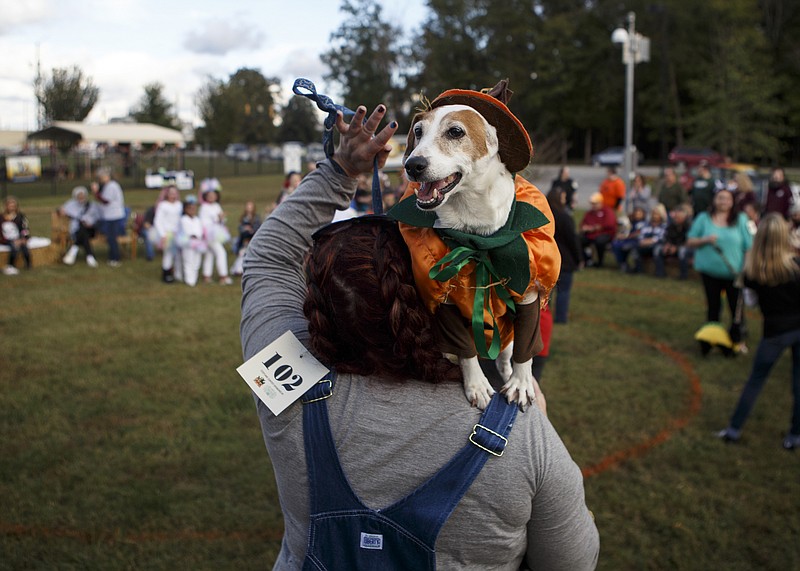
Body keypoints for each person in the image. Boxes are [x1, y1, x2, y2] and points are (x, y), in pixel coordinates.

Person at [240, 102, 599, 569]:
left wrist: (339, 171)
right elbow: (574, 561)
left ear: (313, 309)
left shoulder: (284, 387)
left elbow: (267, 259)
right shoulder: (520, 431)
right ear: (423, 293)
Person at [716, 214, 800, 450]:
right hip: (792, 327)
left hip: (775, 332)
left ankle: (733, 430)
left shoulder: (753, 271)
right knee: (798, 383)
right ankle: (795, 435)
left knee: (756, 380)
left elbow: (751, 303)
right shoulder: (795, 266)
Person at [686, 188, 753, 352]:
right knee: (713, 306)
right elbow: (690, 241)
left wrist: (746, 269)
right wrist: (705, 240)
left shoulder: (741, 219)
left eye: (727, 199)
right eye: (720, 198)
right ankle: (711, 339)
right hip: (709, 273)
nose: (723, 201)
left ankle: (737, 340)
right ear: (714, 200)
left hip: (734, 274)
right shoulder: (703, 218)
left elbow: (749, 246)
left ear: (732, 202)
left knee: (735, 308)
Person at [547, 187, 582, 323]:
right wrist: (579, 258)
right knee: (563, 291)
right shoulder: (564, 217)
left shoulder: (544, 216)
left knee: (547, 292)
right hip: (564, 260)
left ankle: (544, 315)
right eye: (562, 197)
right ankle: (560, 318)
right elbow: (573, 240)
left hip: (547, 258)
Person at [91, 166, 126, 267]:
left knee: (112, 238)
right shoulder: (107, 186)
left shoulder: (111, 186)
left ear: (107, 176)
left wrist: (95, 191)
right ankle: (112, 257)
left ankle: (115, 258)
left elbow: (105, 200)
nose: (100, 179)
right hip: (109, 216)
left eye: (101, 176)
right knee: (110, 238)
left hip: (114, 216)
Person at [59, 186, 101, 267]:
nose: (81, 197)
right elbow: (60, 210)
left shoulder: (92, 205)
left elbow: (98, 217)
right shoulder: (71, 204)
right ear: (75, 196)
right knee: (83, 232)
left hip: (91, 229)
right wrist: (61, 211)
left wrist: (91, 223)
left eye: (83, 195)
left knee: (83, 230)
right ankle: (90, 256)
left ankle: (74, 249)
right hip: (77, 230)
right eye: (79, 196)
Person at [198, 187, 232, 285]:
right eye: (209, 195)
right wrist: (217, 219)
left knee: (210, 254)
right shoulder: (204, 207)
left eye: (214, 195)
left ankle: (206, 275)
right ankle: (223, 276)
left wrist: (221, 219)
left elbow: (221, 219)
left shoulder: (217, 205)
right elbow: (204, 223)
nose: (212, 197)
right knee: (221, 252)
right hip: (209, 235)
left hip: (217, 232)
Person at [153, 185, 184, 283]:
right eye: (171, 193)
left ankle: (178, 273)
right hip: (167, 233)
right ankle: (166, 273)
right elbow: (158, 221)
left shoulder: (179, 205)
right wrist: (163, 234)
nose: (173, 195)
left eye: (175, 193)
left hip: (178, 233)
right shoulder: (163, 205)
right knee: (169, 254)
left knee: (179, 254)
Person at [654, 203, 693, 279]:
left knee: (682, 251)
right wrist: (667, 244)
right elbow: (667, 237)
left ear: (684, 217)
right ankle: (660, 273)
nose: (675, 219)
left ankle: (683, 275)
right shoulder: (671, 225)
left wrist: (677, 247)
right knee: (657, 249)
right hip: (673, 247)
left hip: (686, 248)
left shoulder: (690, 226)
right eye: (675, 217)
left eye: (678, 217)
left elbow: (689, 241)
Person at [580, 192, 617, 267]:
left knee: (600, 241)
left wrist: (595, 228)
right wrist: (584, 228)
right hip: (590, 235)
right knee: (578, 239)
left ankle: (600, 262)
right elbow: (583, 224)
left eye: (595, 203)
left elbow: (609, 224)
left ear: (600, 203)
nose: (593, 205)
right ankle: (585, 259)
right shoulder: (590, 213)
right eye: (592, 203)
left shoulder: (607, 211)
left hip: (605, 234)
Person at [177, 196, 205, 287]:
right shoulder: (183, 219)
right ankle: (189, 280)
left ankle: (194, 278)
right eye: (189, 208)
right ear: (185, 209)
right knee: (188, 261)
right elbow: (185, 230)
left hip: (198, 243)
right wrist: (192, 235)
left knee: (197, 261)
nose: (192, 210)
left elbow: (200, 230)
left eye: (194, 208)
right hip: (188, 243)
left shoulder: (197, 219)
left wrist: (199, 237)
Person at [633, 204, 668, 274]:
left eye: (657, 214)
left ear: (661, 215)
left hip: (658, 245)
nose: (654, 216)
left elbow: (661, 237)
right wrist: (642, 241)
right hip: (645, 244)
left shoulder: (665, 225)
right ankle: (639, 270)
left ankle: (660, 272)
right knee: (635, 249)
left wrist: (651, 241)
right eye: (653, 213)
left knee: (657, 250)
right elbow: (641, 235)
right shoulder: (646, 224)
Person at [611, 206, 647, 273]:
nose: (637, 215)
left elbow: (638, 233)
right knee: (616, 244)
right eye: (636, 213)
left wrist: (626, 237)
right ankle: (623, 263)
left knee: (626, 247)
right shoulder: (631, 222)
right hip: (628, 239)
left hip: (637, 241)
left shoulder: (643, 223)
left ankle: (636, 268)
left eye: (639, 214)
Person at [1, 196, 31, 275]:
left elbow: (25, 229)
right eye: (10, 206)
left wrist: (24, 238)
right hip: (6, 239)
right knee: (14, 248)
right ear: (6, 206)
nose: (12, 208)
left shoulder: (20, 216)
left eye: (13, 206)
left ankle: (28, 265)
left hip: (18, 238)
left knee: (25, 248)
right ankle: (10, 265)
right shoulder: (1, 217)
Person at [230, 200, 261, 276]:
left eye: (250, 207)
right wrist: (245, 229)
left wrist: (251, 230)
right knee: (242, 254)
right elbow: (240, 229)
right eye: (247, 206)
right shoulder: (243, 218)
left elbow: (257, 229)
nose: (249, 208)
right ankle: (237, 269)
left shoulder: (256, 218)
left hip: (253, 240)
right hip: (244, 241)